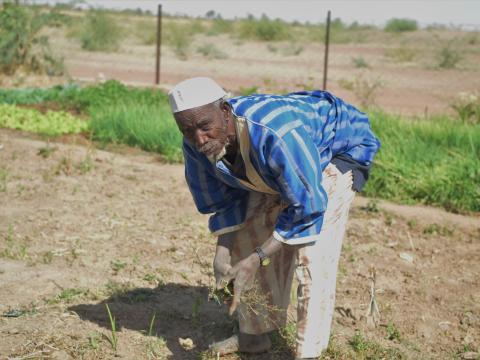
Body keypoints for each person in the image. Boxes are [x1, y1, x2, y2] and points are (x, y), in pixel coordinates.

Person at [168, 77, 380, 359]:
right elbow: (223, 199)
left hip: (336, 151)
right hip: (285, 162)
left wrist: (256, 258)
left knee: (311, 253)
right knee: (249, 234)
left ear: (225, 111)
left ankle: (309, 351)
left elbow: (309, 205)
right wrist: (223, 252)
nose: (199, 139)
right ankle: (253, 338)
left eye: (205, 127)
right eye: (187, 130)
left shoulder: (274, 132)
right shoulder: (197, 143)